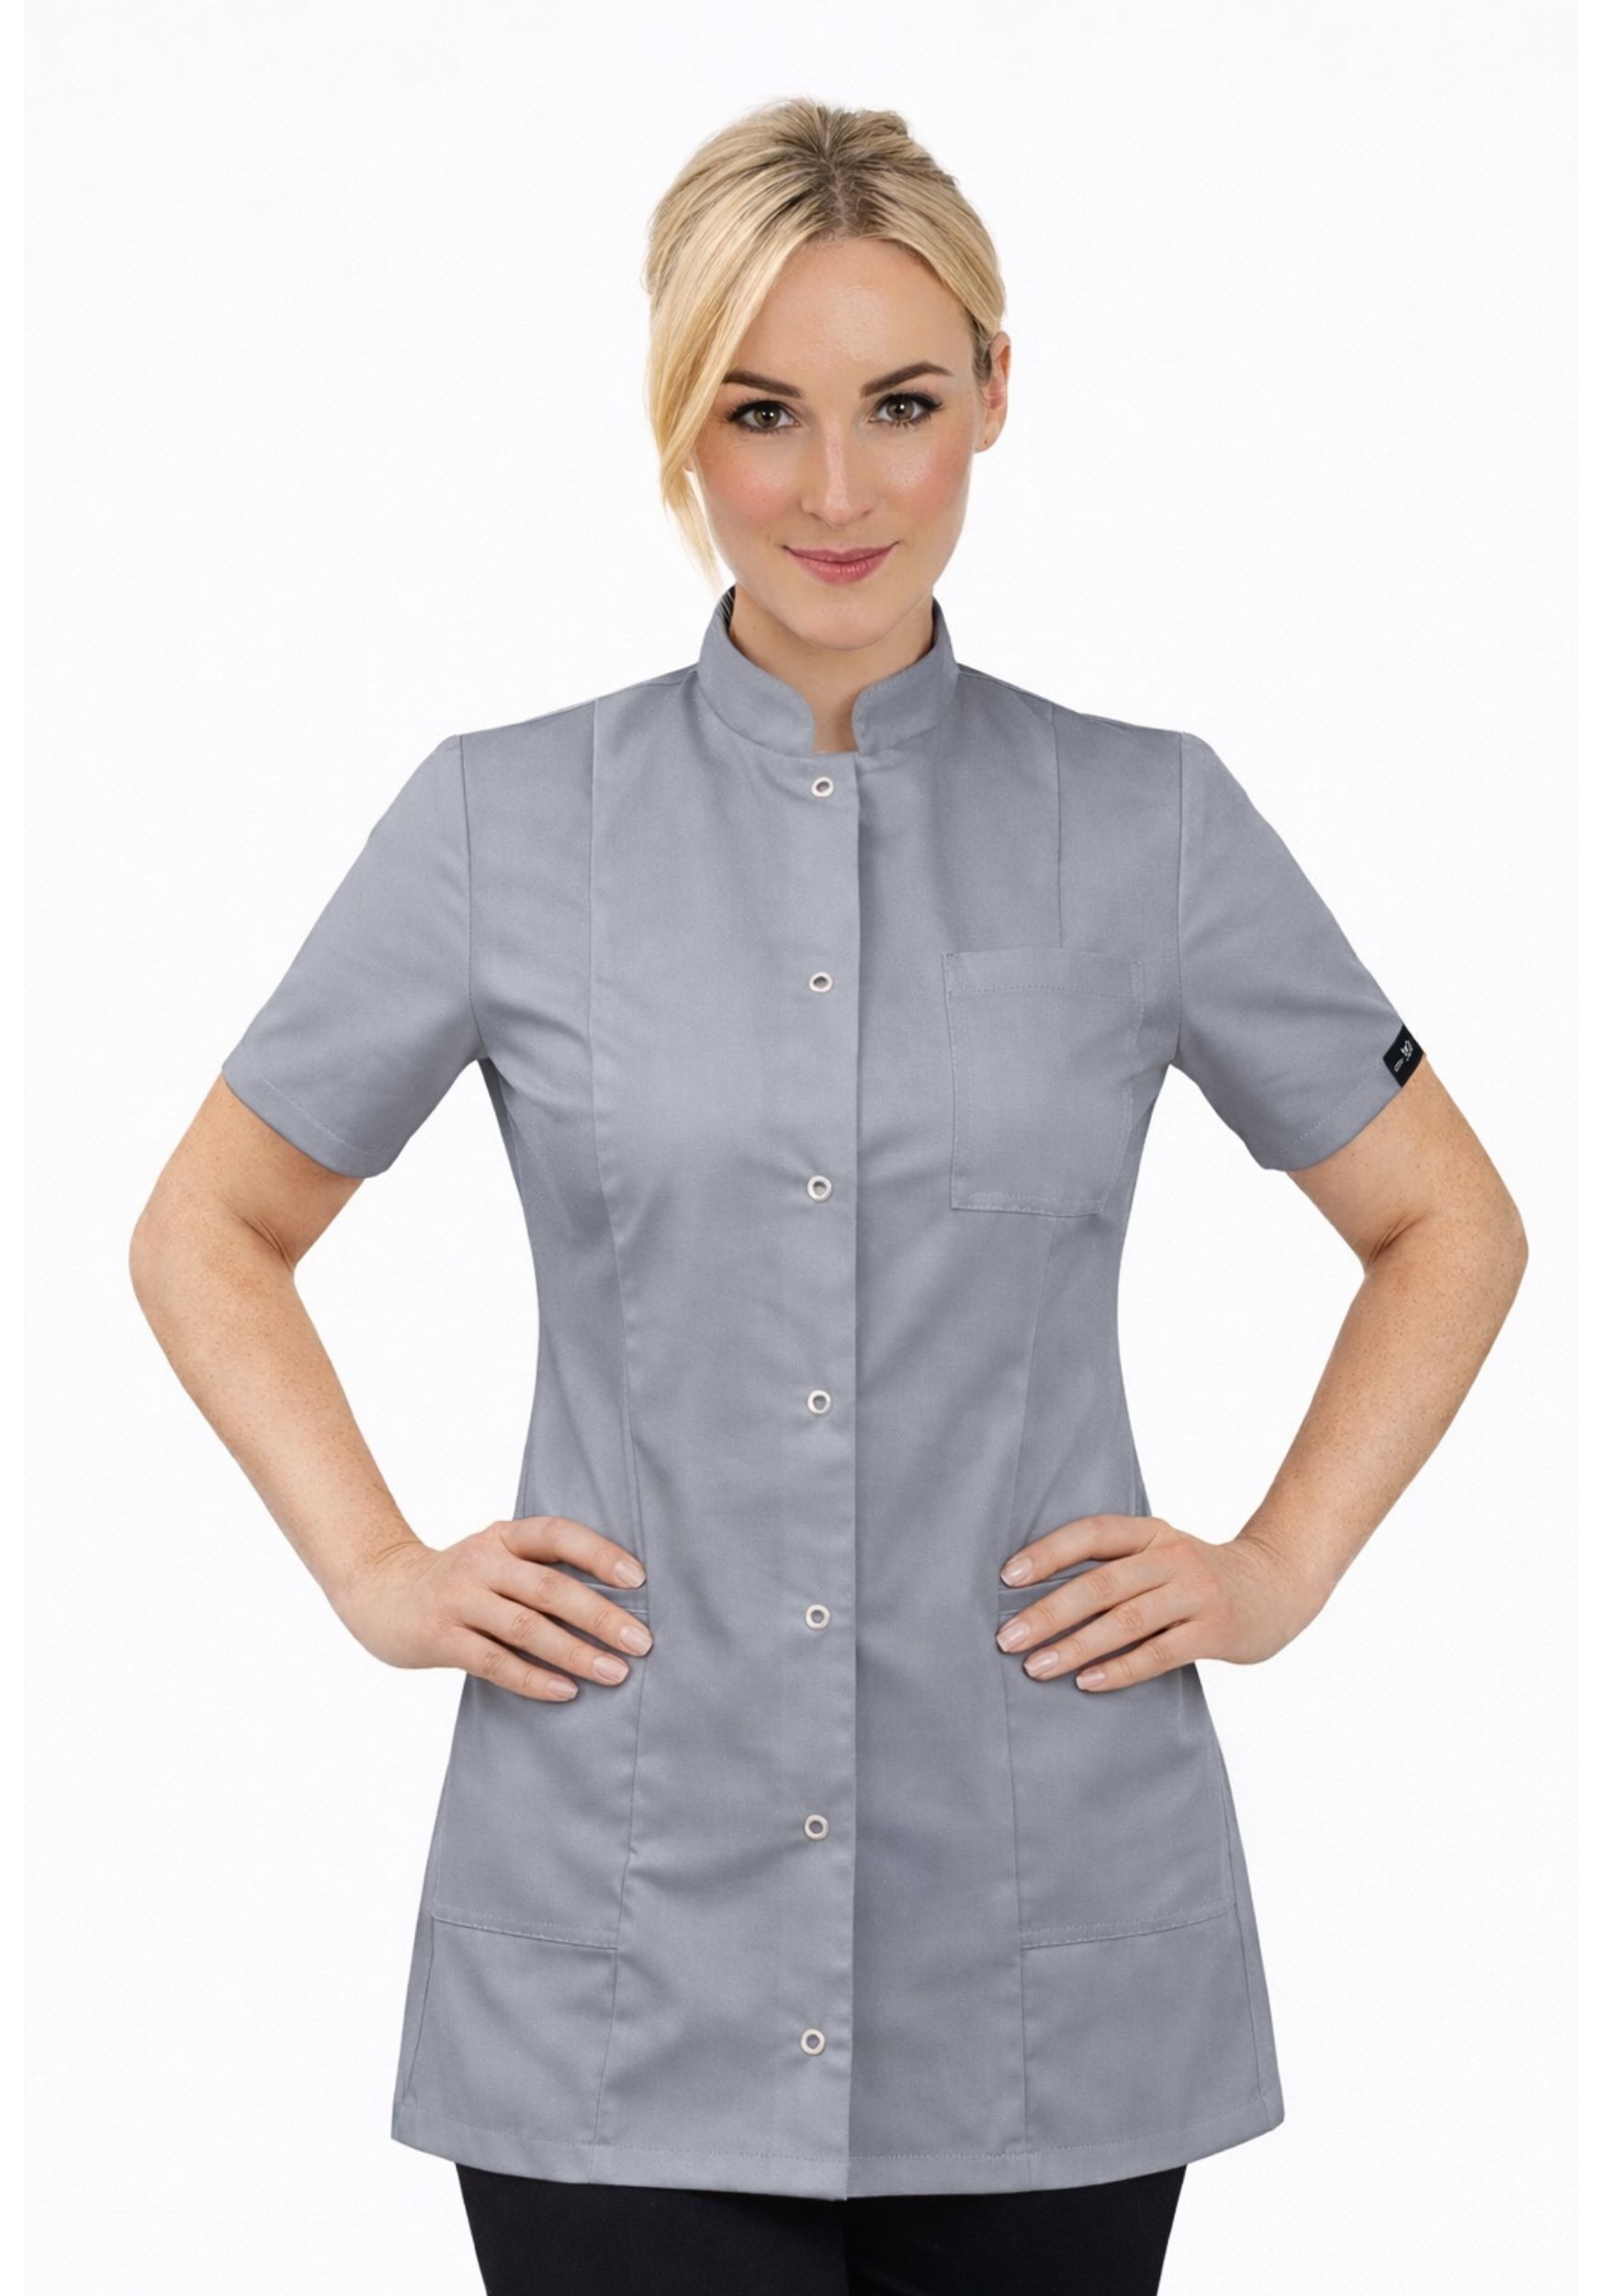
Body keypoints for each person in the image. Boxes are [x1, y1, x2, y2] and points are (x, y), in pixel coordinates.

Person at [129, 96, 1528, 2296]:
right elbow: (207, 1224)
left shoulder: (1148, 825)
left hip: (1045, 1928)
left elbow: (1447, 1221)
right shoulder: (500, 825)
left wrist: (1274, 1565)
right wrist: (376, 1566)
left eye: (898, 402)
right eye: (758, 411)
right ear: (678, 416)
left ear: (994, 392)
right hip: (613, 1928)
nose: (836, 491)